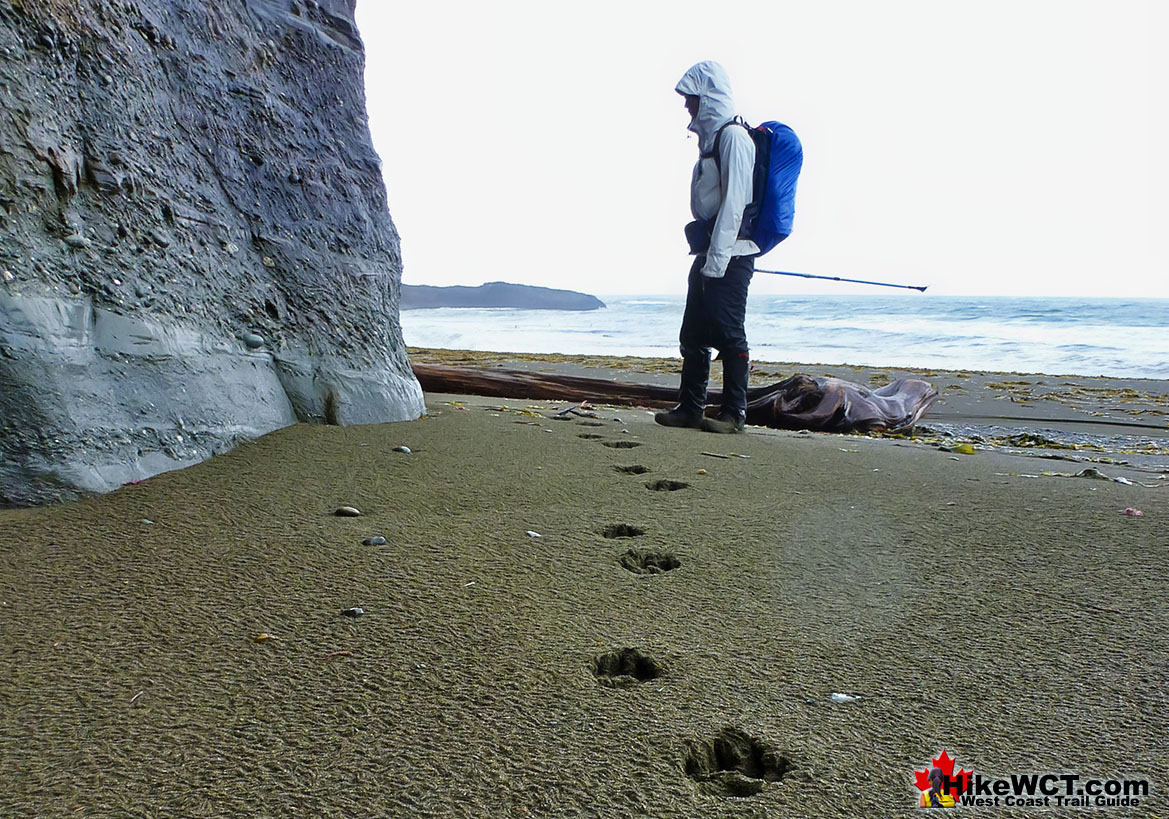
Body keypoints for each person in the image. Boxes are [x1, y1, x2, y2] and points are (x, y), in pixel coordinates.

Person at [656, 60, 768, 434]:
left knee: (729, 333)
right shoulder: (711, 142)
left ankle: (734, 414)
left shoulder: (734, 138)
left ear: (708, 98)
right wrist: (707, 257)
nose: (687, 107)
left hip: (732, 255)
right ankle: (690, 407)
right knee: (693, 335)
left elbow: (735, 203)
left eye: (691, 99)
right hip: (709, 254)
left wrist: (717, 262)